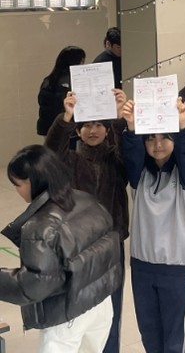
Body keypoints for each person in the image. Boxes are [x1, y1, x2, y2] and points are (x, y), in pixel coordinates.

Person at [1, 145, 121, 352]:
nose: (17, 191)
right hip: (100, 304)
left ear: (33, 181)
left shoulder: (40, 226)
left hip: (66, 315)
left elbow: (32, 285)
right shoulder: (87, 200)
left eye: (18, 184)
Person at [44, 88, 130, 353]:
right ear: (78, 131)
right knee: (78, 312)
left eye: (99, 125)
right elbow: (50, 153)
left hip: (111, 245)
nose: (93, 131)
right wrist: (66, 117)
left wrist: (119, 119)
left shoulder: (116, 160)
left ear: (107, 128)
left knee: (111, 311)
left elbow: (130, 156)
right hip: (76, 247)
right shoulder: (69, 161)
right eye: (87, 125)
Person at [121, 96, 185, 353]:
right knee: (150, 333)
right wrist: (132, 127)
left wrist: (183, 127)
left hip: (175, 266)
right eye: (150, 138)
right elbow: (132, 155)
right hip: (142, 266)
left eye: (165, 137)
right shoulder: (139, 176)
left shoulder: (184, 176)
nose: (157, 144)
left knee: (174, 338)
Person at [37, 45, 85, 135]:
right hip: (64, 127)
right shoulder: (71, 82)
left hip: (47, 126)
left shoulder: (49, 80)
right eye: (82, 61)